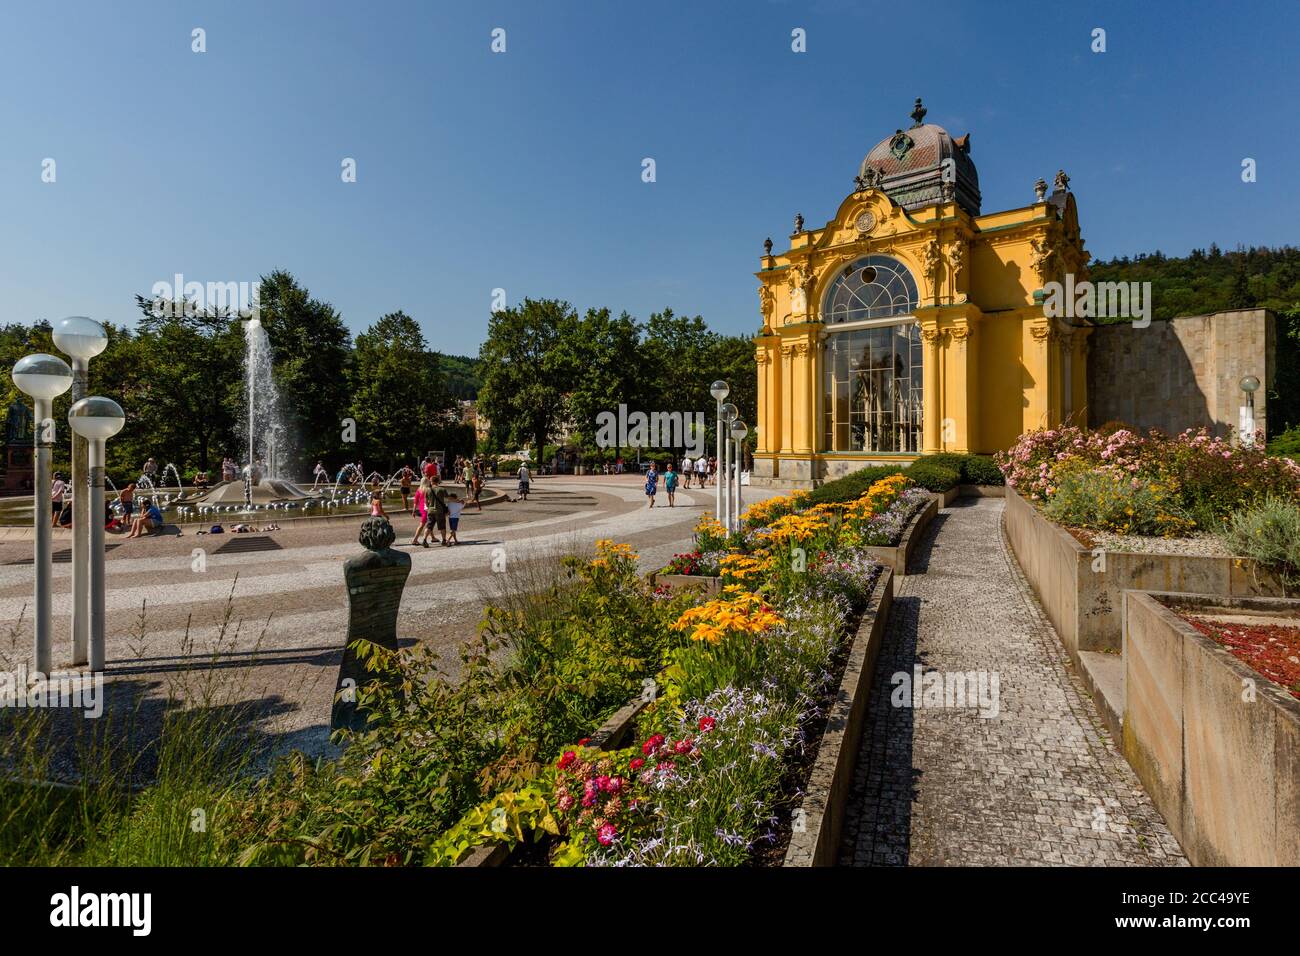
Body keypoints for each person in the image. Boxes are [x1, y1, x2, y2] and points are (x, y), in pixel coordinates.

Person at [411, 477, 431, 547]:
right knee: (422, 524)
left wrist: (413, 511)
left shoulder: (419, 490)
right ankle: (415, 539)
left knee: (429, 522)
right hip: (427, 508)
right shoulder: (428, 490)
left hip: (421, 507)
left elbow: (415, 502)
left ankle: (433, 537)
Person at [430, 477, 449, 546]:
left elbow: (426, 502)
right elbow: (448, 498)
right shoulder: (442, 489)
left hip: (431, 510)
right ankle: (444, 540)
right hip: (440, 511)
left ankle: (424, 540)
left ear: (431, 481)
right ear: (438, 481)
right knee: (442, 526)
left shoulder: (428, 490)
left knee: (429, 527)